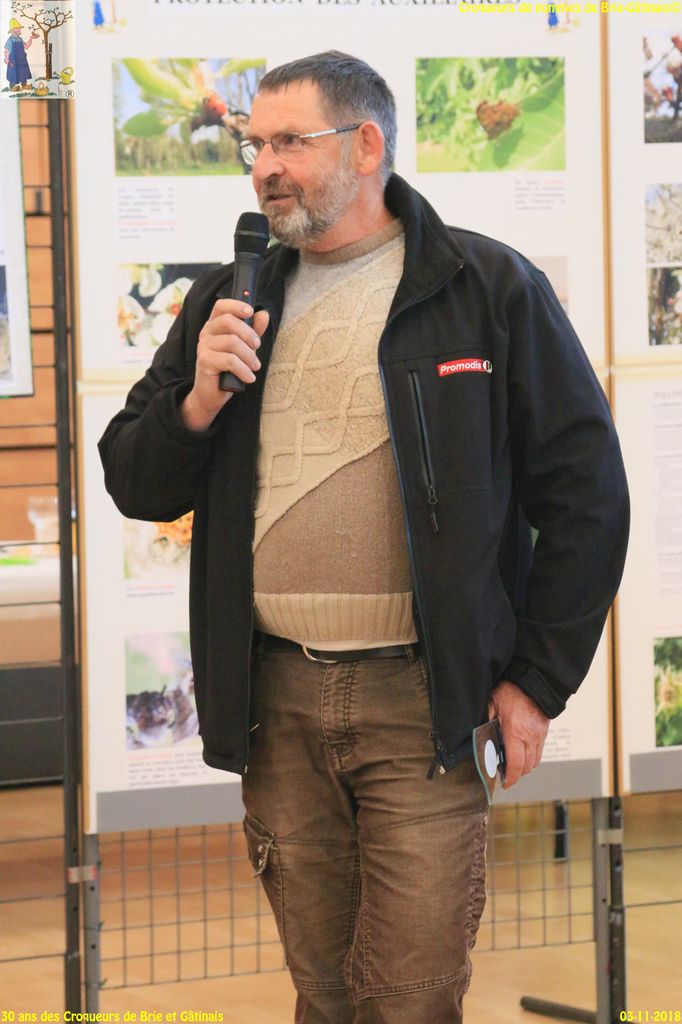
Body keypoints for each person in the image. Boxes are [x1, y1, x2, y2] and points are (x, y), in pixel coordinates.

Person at [99, 51, 629, 1024]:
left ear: (367, 144)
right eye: (254, 146)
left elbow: (587, 495)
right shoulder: (228, 298)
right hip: (276, 700)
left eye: (288, 143)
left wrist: (535, 681)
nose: (264, 166)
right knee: (327, 990)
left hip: (424, 704)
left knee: (410, 996)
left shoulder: (484, 287)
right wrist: (198, 400)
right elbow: (133, 479)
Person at [3, 18, 35, 93]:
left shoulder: (20, 39)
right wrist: (7, 59)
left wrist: (31, 38)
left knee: (23, 72)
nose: (20, 30)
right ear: (13, 30)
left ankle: (24, 85)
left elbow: (26, 46)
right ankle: (12, 87)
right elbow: (6, 50)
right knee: (13, 73)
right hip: (14, 60)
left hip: (22, 59)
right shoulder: (10, 40)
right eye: (18, 28)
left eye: (19, 28)